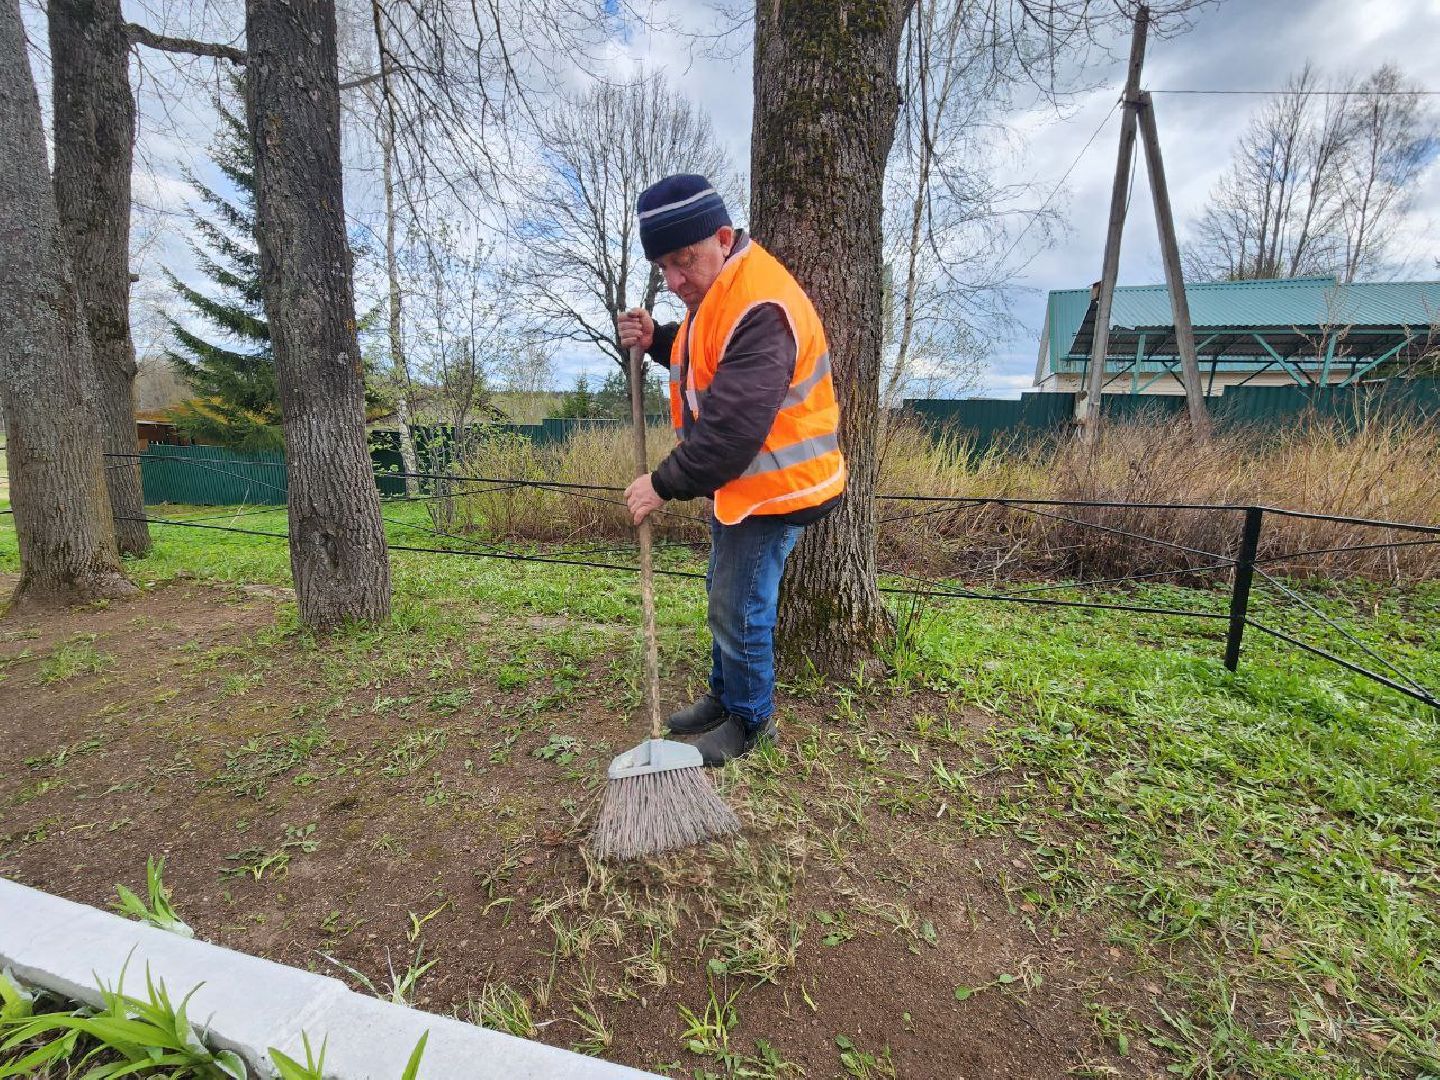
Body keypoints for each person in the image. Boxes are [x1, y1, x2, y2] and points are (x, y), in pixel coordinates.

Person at [615, 173, 845, 766]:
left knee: (740, 604)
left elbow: (730, 434)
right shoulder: (718, 290)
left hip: (777, 488)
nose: (673, 280)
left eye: (683, 261)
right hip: (743, 486)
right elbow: (705, 353)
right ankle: (726, 694)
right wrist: (659, 337)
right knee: (726, 590)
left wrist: (660, 484)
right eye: (663, 267)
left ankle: (749, 719)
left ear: (721, 237)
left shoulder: (761, 304)